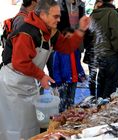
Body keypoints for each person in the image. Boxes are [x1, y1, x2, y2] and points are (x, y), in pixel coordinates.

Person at [0, 0, 90, 139]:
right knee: (15, 127)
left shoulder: (51, 32)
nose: (59, 20)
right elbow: (20, 62)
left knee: (31, 125)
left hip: (28, 82)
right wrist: (41, 75)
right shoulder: (26, 32)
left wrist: (80, 30)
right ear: (43, 14)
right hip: (12, 84)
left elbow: (67, 47)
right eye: (55, 16)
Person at [84, 0, 118, 98]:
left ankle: (99, 107)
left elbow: (89, 35)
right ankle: (105, 109)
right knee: (109, 87)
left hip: (98, 54)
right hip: (110, 54)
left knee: (101, 84)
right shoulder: (112, 13)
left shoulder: (93, 14)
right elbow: (116, 36)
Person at [52, 28, 86, 113]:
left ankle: (70, 116)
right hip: (63, 80)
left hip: (73, 80)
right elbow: (55, 67)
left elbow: (78, 64)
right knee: (62, 101)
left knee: (71, 100)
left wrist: (81, 74)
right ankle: (61, 116)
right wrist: (58, 80)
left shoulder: (75, 50)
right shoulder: (59, 51)